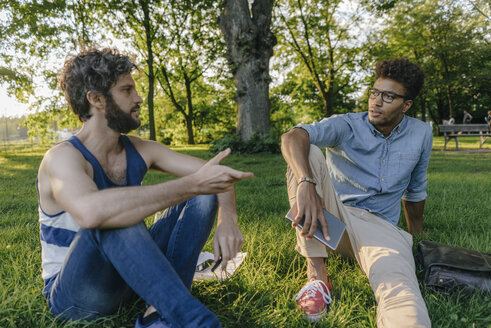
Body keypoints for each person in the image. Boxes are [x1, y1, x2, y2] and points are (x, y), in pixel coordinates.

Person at [37, 48, 253, 328]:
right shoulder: (62, 157)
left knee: (201, 195)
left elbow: (213, 174)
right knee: (111, 216)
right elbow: (91, 214)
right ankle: (195, 321)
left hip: (129, 276)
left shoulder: (139, 149)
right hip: (75, 295)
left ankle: (157, 311)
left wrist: (228, 219)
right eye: (127, 90)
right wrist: (191, 184)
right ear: (96, 99)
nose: (138, 98)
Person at [281, 58, 432, 327]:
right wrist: (306, 182)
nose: (376, 101)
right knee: (308, 151)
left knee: (401, 292)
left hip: (382, 231)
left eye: (388, 96)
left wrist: (417, 240)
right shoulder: (347, 124)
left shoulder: (421, 133)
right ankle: (316, 276)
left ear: (406, 104)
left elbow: (416, 188)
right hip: (333, 221)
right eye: (374, 93)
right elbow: (292, 136)